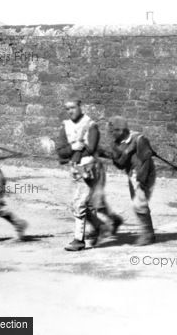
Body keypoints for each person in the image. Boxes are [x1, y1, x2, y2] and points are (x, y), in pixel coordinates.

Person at [57, 100, 123, 251]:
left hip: (91, 169)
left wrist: (74, 151)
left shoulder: (90, 125)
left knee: (85, 203)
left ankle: (78, 240)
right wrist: (74, 148)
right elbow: (61, 151)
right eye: (67, 108)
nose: (70, 111)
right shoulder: (65, 126)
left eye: (73, 107)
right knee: (84, 204)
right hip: (76, 170)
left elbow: (92, 148)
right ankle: (106, 224)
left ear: (80, 107)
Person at [107, 116, 156, 246]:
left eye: (114, 131)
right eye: (111, 131)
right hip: (131, 174)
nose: (112, 134)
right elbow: (120, 164)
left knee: (139, 203)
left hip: (143, 174)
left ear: (122, 130)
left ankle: (147, 235)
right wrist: (125, 152)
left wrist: (141, 179)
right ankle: (149, 233)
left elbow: (146, 160)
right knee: (137, 203)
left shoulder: (139, 139)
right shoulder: (116, 143)